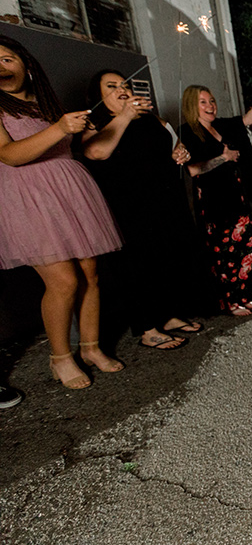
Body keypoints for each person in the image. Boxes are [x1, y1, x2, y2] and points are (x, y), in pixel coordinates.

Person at [0, 36, 124, 388]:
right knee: (64, 281)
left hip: (68, 193)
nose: (2, 67)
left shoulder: (45, 103)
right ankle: (60, 358)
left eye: (8, 59)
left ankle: (90, 348)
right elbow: (8, 155)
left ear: (25, 63)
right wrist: (59, 129)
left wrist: (77, 129)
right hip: (30, 198)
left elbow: (77, 147)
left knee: (90, 273)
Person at [82, 69, 206, 349]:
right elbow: (95, 152)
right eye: (112, 86)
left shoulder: (150, 119)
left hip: (163, 200)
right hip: (128, 207)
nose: (122, 89)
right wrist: (124, 115)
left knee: (167, 258)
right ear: (98, 97)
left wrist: (179, 152)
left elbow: (173, 145)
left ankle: (168, 315)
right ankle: (147, 328)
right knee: (138, 264)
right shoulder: (96, 122)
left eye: (125, 84)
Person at [180, 85, 252, 316]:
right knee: (224, 252)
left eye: (212, 100)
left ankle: (248, 294)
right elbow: (193, 170)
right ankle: (232, 300)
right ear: (191, 106)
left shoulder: (222, 126)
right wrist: (223, 158)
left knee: (245, 246)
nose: (210, 106)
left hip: (236, 195)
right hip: (214, 201)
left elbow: (246, 119)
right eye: (203, 102)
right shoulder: (188, 133)